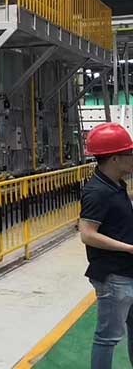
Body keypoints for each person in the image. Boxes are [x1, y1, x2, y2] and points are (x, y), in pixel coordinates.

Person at [79, 122, 133, 369]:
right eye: (129, 153)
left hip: (127, 270)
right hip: (114, 276)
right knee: (107, 338)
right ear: (114, 159)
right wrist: (129, 248)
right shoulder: (97, 191)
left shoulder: (116, 184)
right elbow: (87, 234)